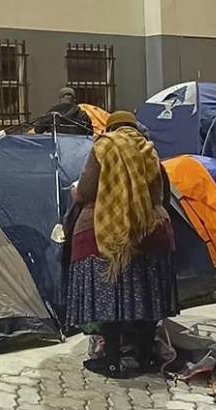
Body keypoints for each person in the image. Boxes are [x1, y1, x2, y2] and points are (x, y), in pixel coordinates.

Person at [66, 111, 178, 379]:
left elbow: (85, 191)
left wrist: (74, 190)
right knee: (146, 299)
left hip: (103, 232)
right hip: (150, 231)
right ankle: (146, 358)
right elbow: (161, 193)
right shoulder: (149, 150)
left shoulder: (103, 148)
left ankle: (113, 361)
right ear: (134, 128)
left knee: (109, 300)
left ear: (111, 128)